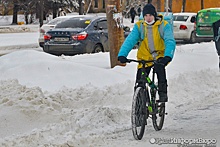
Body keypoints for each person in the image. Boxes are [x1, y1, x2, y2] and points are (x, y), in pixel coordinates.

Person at [118, 4, 176, 102]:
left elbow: (170, 41)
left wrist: (168, 56)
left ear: (154, 15)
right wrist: (122, 54)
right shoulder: (140, 26)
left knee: (159, 69)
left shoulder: (163, 25)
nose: (148, 18)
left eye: (150, 15)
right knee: (139, 82)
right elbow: (130, 41)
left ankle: (163, 94)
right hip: (144, 57)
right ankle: (140, 105)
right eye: (146, 16)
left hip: (160, 56)